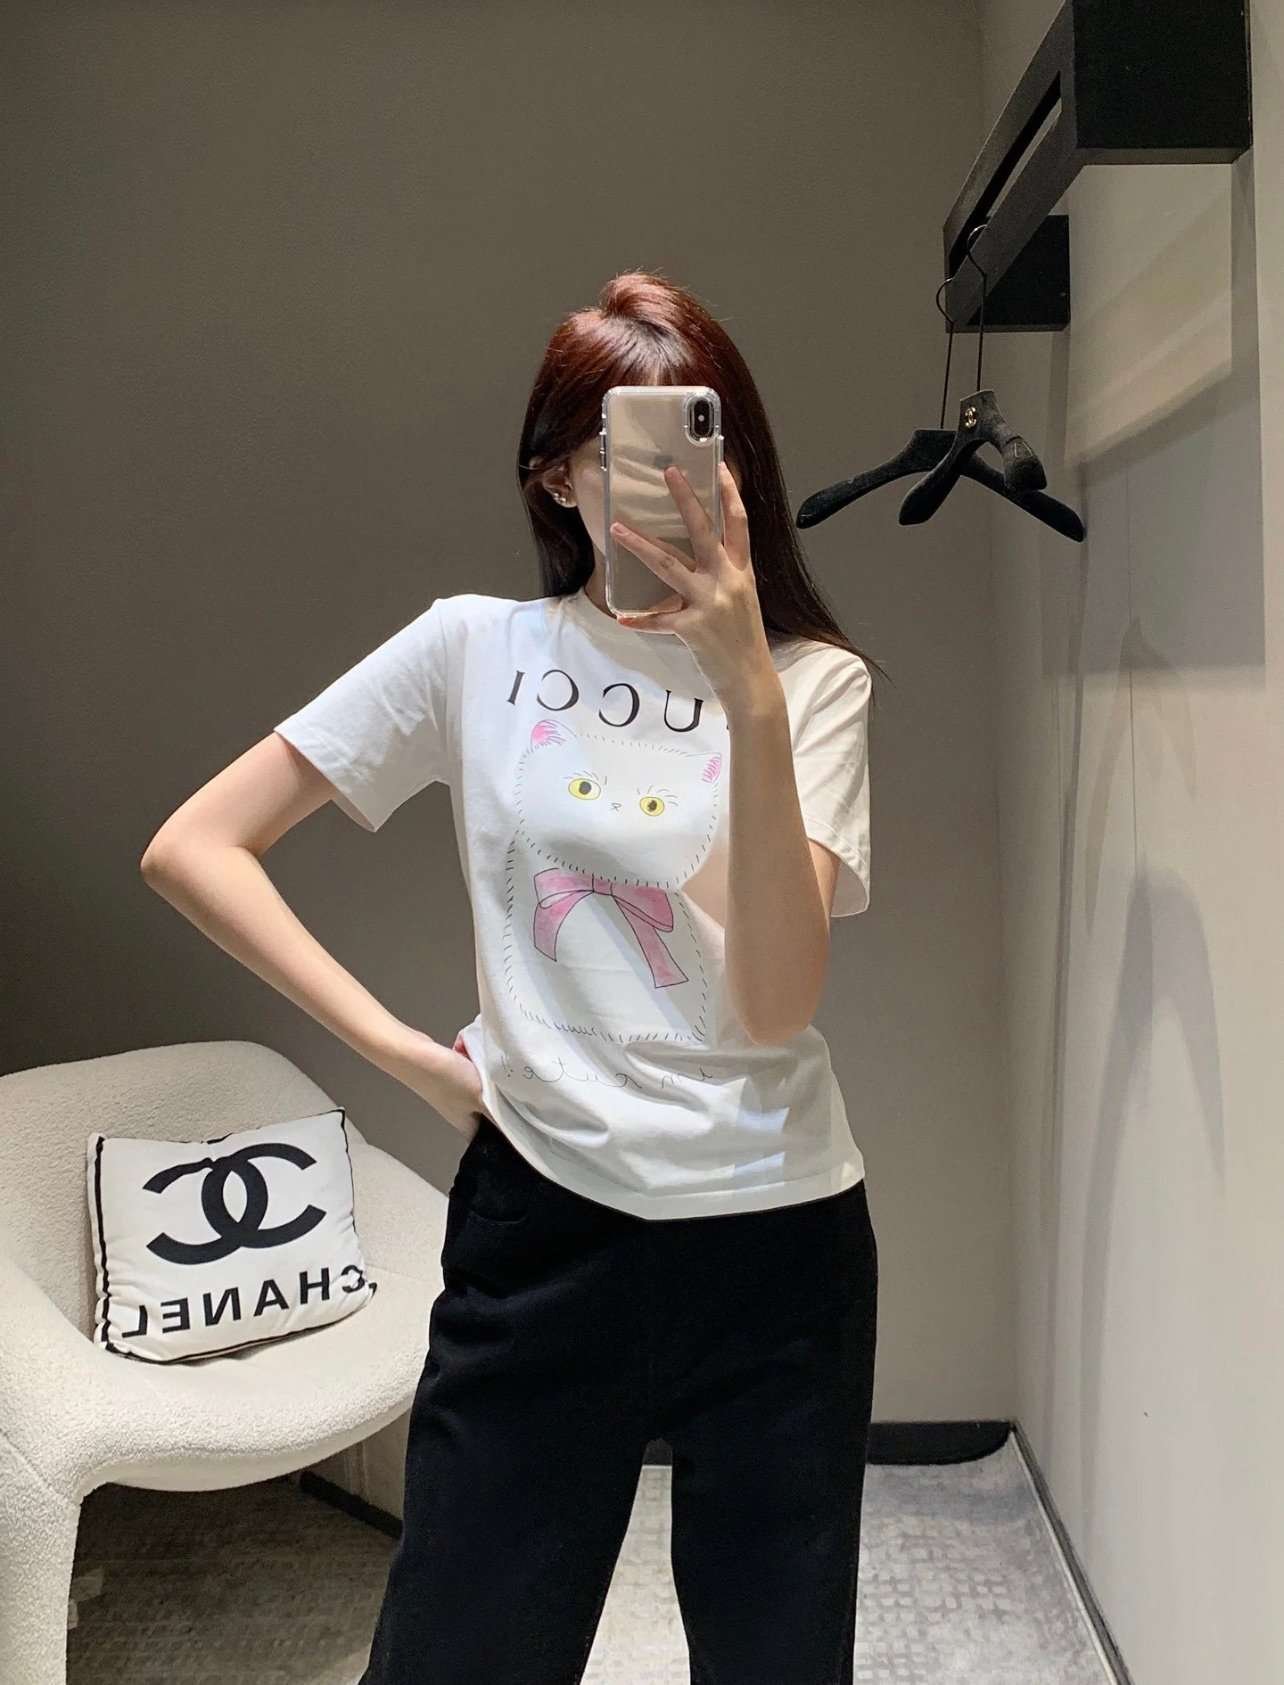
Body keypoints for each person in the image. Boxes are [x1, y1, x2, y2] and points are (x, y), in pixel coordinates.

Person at [141, 270, 884, 1685]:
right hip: (543, 1227)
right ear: (556, 475)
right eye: (627, 450)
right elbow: (195, 846)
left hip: (779, 1240)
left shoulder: (811, 683)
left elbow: (777, 1000)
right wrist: (406, 1055)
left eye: (705, 442)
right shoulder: (475, 649)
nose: (676, 484)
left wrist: (746, 691)